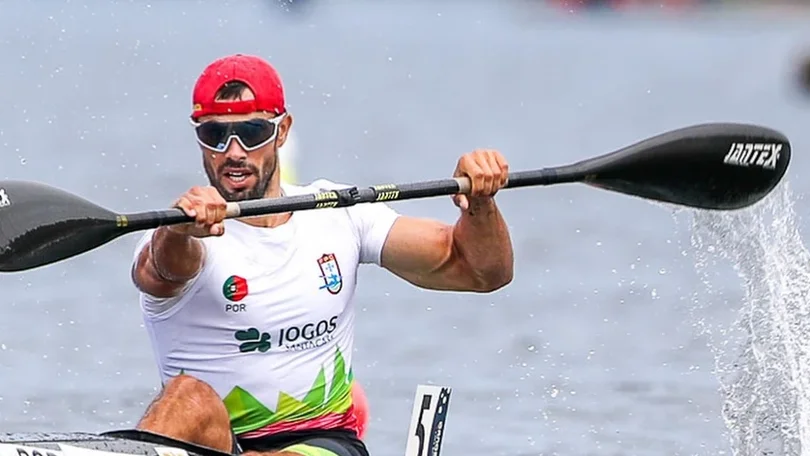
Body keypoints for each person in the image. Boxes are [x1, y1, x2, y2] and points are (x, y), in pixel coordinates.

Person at [129, 53, 514, 456]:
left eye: (252, 131)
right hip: (218, 444)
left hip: (322, 444)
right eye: (215, 136)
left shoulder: (335, 211)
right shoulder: (178, 235)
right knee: (188, 396)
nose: (234, 151)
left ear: (282, 132)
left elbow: (481, 271)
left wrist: (480, 203)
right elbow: (161, 273)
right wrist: (177, 231)